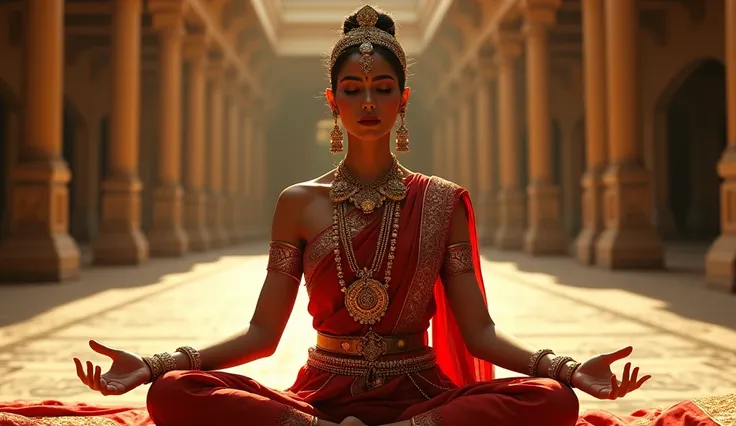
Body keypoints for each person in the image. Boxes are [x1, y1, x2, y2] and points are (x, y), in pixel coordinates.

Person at [0, 5, 733, 426]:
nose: (369, 101)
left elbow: (477, 334)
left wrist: (570, 369)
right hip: (322, 395)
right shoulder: (298, 204)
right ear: (333, 103)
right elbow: (262, 335)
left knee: (548, 403)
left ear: (404, 100)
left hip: (421, 394)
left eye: (383, 86)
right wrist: (156, 363)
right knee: (173, 397)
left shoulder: (442, 201)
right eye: (353, 88)